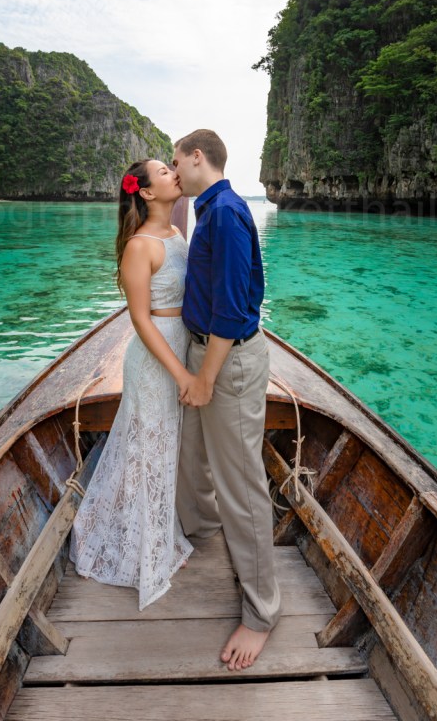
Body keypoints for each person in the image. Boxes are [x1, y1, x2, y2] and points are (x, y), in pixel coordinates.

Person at [172, 129, 281, 671]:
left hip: (227, 360)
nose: (174, 171)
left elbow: (234, 310)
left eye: (177, 161)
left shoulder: (226, 213)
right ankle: (203, 528)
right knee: (195, 455)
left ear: (198, 158)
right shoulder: (208, 210)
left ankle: (261, 612)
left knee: (242, 483)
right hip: (205, 354)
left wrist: (206, 378)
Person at [69, 159, 194, 609]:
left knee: (163, 449)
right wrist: (181, 373)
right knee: (147, 450)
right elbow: (140, 320)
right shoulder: (140, 247)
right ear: (144, 192)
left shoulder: (177, 235)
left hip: (180, 347)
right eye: (164, 170)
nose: (174, 173)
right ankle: (140, 552)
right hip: (155, 358)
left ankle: (158, 539)